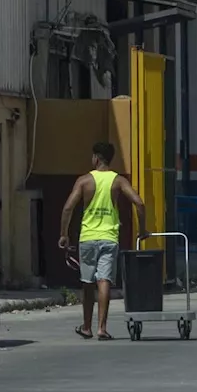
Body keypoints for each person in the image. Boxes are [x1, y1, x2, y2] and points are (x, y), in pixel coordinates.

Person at [58, 141, 147, 341]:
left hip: (88, 238)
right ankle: (102, 328)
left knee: (87, 282)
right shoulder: (118, 180)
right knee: (104, 280)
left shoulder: (84, 181)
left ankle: (87, 327)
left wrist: (64, 234)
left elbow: (67, 208)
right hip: (109, 237)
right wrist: (142, 229)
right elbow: (139, 203)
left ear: (96, 158)